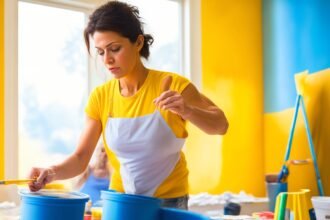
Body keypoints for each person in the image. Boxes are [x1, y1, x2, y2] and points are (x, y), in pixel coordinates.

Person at [28, 1, 228, 210]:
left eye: (115, 49)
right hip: (121, 202)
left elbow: (220, 125)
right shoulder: (101, 97)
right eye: (101, 52)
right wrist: (50, 172)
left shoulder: (174, 85)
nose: (108, 60)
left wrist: (187, 110)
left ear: (138, 42)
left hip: (169, 204)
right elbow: (80, 158)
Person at [73, 142, 110, 206]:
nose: (105, 154)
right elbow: (74, 187)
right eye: (102, 150)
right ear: (97, 152)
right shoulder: (87, 169)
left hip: (100, 211)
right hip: (84, 208)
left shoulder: (111, 173)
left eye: (108, 152)